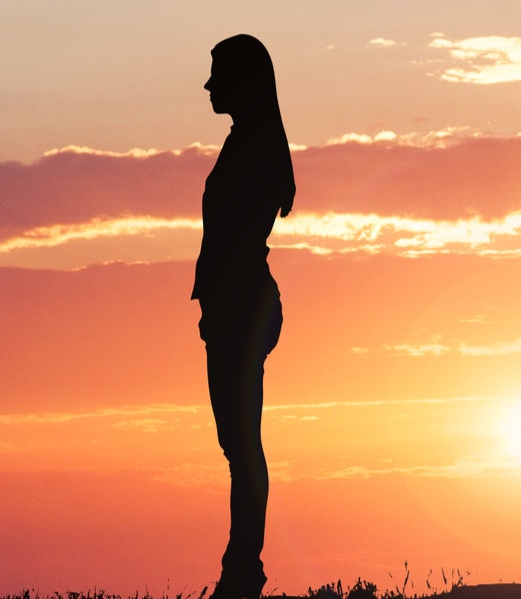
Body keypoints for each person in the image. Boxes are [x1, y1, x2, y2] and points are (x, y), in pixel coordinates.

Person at [192, 34, 294, 599]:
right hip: (237, 306)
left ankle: (243, 572)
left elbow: (236, 237)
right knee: (236, 441)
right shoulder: (247, 143)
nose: (208, 86)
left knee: (242, 443)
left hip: (245, 306)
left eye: (217, 74)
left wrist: (221, 308)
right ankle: (241, 568)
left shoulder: (254, 148)